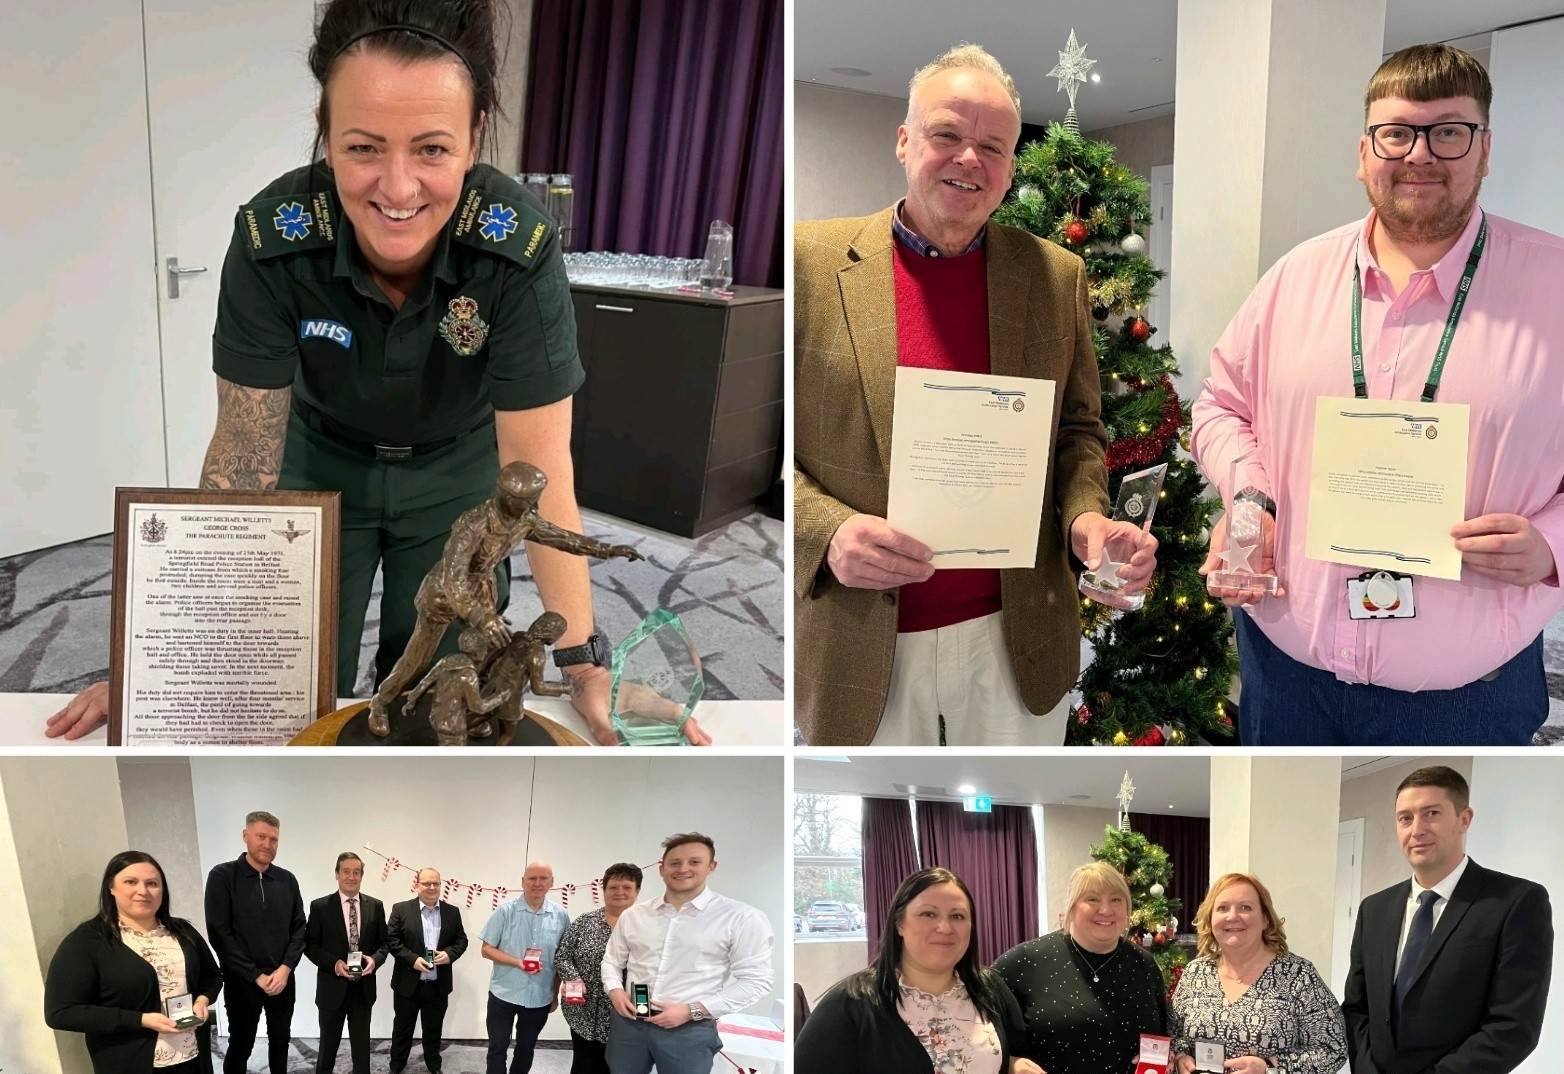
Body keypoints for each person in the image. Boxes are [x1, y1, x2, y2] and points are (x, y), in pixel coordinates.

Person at [43, 0, 706, 748]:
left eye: (431, 149)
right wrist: (163, 666)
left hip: (457, 472)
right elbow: (242, 461)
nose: (397, 189)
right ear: (325, 134)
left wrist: (584, 667)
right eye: (363, 148)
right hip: (318, 462)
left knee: (444, 696)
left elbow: (538, 465)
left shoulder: (515, 246)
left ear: (475, 135)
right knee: (282, 682)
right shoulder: (275, 240)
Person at [1189, 43, 1564, 746]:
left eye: (1449, 131)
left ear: (1485, 150)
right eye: (1397, 132)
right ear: (1364, 152)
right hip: (1286, 677)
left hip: (1467, 700)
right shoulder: (1293, 279)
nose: (1420, 154)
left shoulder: (1556, 288)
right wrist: (1251, 499)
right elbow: (1219, 405)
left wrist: (1554, 543)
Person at [792, 43, 1153, 747]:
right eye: (947, 135)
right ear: (904, 141)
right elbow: (760, 457)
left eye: (993, 145)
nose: (969, 160)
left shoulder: (1057, 276)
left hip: (1016, 641)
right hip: (861, 636)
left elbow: (1079, 430)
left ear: (1012, 164)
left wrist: (1085, 521)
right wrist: (823, 529)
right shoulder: (809, 262)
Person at [1343, 765, 1552, 1074]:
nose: (1416, 828)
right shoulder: (1376, 909)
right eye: (1405, 818)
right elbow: (1356, 1010)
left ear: (1464, 819)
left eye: (1432, 813)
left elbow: (1513, 1028)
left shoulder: (1514, 902)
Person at [794, 867, 1033, 1074]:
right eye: (928, 914)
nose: (945, 927)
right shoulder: (850, 1006)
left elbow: (1022, 1068)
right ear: (899, 924)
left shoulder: (991, 991)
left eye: (958, 916)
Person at [589, 833, 773, 1074]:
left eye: (694, 862)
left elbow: (756, 981)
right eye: (675, 862)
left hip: (689, 1028)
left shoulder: (740, 918)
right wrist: (615, 990)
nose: (683, 869)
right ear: (661, 868)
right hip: (632, 1018)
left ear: (711, 867)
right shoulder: (635, 915)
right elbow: (611, 961)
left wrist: (690, 1010)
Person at [43, 852, 222, 1074]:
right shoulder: (88, 941)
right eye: (131, 881)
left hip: (190, 1062)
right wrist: (139, 1019)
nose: (144, 890)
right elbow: (60, 1011)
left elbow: (212, 975)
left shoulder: (182, 931)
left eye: (153, 883)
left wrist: (203, 1000)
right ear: (111, 887)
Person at [991, 863, 1170, 1074]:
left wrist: (1158, 1059)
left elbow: (1160, 1034)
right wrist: (1007, 1064)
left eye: (1116, 899)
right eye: (1092, 899)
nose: (1106, 909)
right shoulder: (1023, 963)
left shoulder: (1143, 966)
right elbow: (978, 1037)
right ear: (1072, 907)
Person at [1172, 873, 1347, 1074]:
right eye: (1222, 908)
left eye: (1246, 908)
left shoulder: (1297, 976)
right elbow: (1176, 1035)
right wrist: (1179, 1058)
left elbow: (1333, 1048)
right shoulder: (1194, 974)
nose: (1233, 916)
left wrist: (1269, 1069)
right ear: (1210, 918)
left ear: (1266, 919)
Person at [205, 810, 309, 1074]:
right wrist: (254, 973)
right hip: (242, 982)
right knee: (240, 1046)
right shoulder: (223, 877)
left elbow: (299, 929)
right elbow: (220, 933)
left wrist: (285, 968)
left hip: (282, 979)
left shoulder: (287, 880)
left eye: (274, 839)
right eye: (262, 837)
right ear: (246, 835)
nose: (268, 844)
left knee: (281, 1039)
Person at [553, 861, 644, 1074]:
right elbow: (563, 956)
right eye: (613, 886)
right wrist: (573, 978)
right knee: (583, 1057)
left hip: (622, 1009)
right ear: (604, 890)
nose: (619, 891)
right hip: (581, 1005)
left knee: (611, 1062)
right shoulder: (585, 922)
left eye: (627, 887)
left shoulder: (645, 927)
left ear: (637, 891)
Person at [478, 861, 568, 1074]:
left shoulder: (560, 916)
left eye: (543, 878)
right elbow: (486, 949)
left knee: (527, 1046)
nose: (537, 883)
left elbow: (561, 959)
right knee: (497, 1045)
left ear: (552, 882)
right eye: (532, 878)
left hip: (539, 996)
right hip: (504, 993)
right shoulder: (505, 912)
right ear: (522, 881)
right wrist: (517, 962)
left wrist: (554, 992)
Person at [305, 851, 390, 1074]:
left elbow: (385, 945)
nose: (351, 877)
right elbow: (311, 946)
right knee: (328, 1045)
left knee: (361, 1042)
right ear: (337, 873)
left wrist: (374, 960)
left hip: (363, 988)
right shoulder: (320, 906)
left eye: (357, 872)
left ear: (362, 875)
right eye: (346, 871)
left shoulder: (375, 905)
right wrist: (334, 964)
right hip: (332, 987)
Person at [386, 868, 468, 1074]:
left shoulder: (452, 912)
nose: (432, 888)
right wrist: (412, 959)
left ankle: (434, 1065)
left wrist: (449, 955)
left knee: (433, 1029)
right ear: (417, 885)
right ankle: (396, 1067)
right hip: (407, 983)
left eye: (436, 884)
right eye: (426, 884)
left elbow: (462, 941)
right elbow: (392, 941)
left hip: (437, 985)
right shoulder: (401, 909)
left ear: (440, 886)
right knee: (402, 1028)